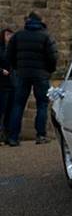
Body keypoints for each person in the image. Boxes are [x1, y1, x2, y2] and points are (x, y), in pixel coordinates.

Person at [6, 13, 58, 146]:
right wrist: (49, 71)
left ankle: (13, 137)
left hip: (22, 74)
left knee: (18, 105)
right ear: (40, 22)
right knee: (42, 104)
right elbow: (53, 57)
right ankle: (40, 135)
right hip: (41, 75)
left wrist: (17, 68)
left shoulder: (18, 36)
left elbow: (9, 54)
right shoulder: (46, 36)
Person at [0, 27, 14, 143]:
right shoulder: (1, 49)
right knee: (2, 110)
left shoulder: (13, 49)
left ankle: (8, 135)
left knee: (10, 110)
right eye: (7, 35)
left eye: (11, 35)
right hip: (2, 83)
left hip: (12, 83)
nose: (9, 37)